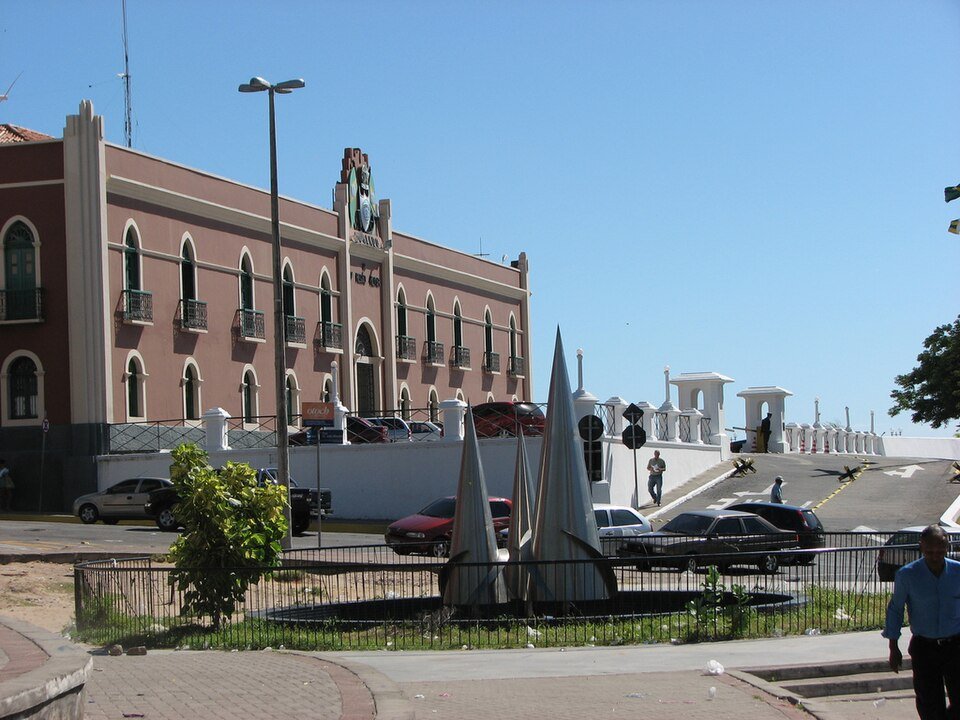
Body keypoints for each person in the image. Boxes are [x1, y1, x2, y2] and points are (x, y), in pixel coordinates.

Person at [883, 524, 960, 720]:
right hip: (925, 647)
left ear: (947, 547)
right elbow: (896, 610)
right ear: (921, 547)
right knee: (930, 704)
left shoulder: (958, 572)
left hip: (955, 645)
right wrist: (893, 646)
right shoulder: (907, 575)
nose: (935, 556)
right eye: (930, 551)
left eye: (940, 550)